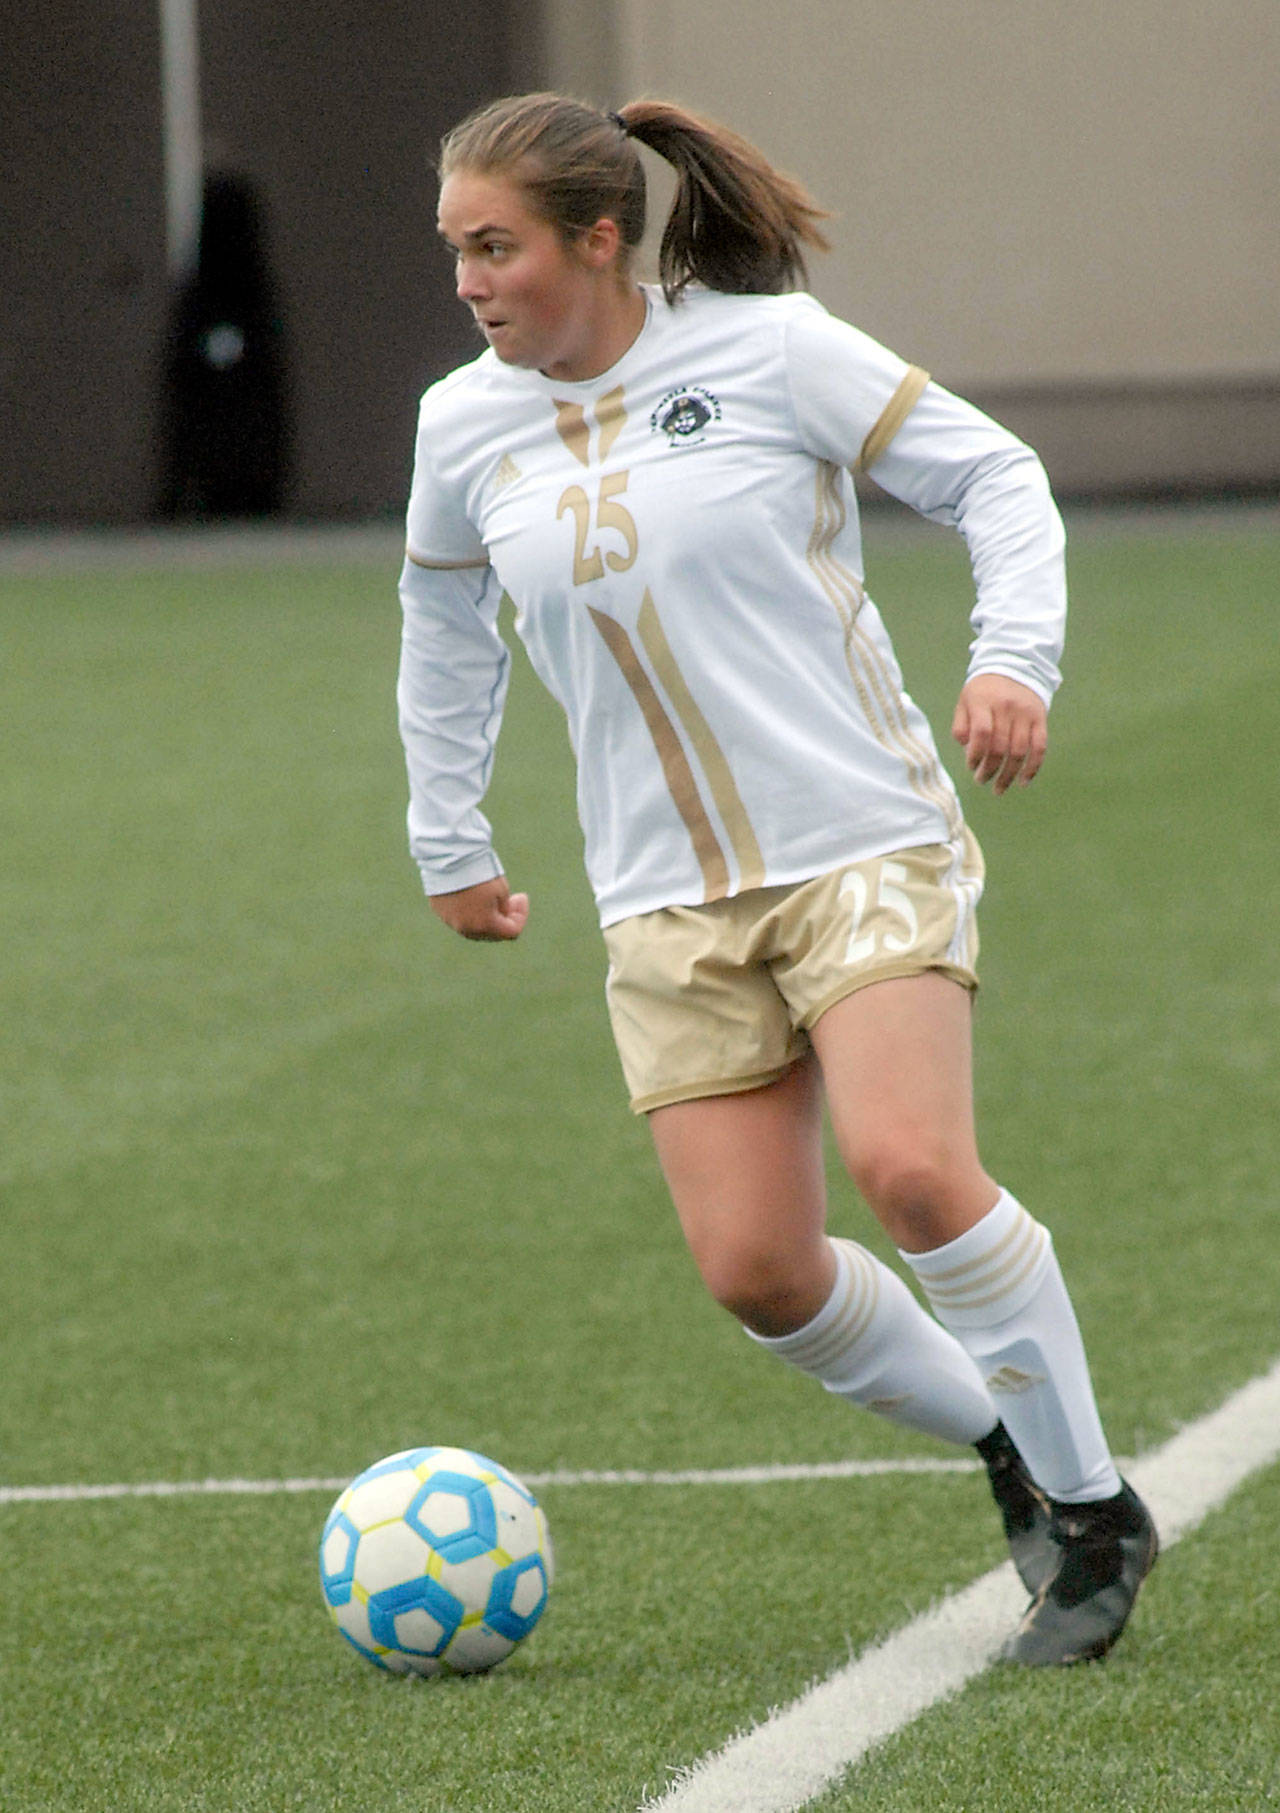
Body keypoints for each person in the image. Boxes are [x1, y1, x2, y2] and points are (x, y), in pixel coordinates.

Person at [397, 91, 1157, 1666]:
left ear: (599, 240)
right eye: (455, 250)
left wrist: (1014, 662)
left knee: (916, 1170)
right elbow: (443, 634)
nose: (469, 282)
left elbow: (998, 478)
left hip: (861, 838)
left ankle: (1090, 1514)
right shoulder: (458, 424)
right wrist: (449, 841)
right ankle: (1009, 1446)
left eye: (496, 247)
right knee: (758, 1272)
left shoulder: (768, 350)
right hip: (662, 900)